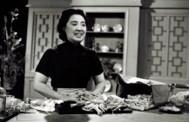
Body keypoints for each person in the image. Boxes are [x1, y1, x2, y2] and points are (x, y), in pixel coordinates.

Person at [33, 8, 106, 100]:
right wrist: (62, 98)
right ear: (64, 27)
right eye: (74, 24)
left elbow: (101, 82)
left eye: (83, 25)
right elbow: (38, 84)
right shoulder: (51, 53)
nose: (80, 28)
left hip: (82, 104)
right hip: (58, 104)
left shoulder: (91, 55)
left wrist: (92, 95)